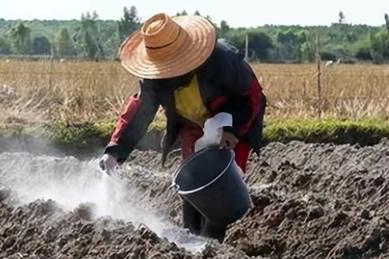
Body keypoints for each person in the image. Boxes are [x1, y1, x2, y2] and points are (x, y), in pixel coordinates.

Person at [100, 13, 266, 242]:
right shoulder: (156, 79)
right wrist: (115, 151)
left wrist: (231, 129)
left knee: (218, 192)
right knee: (192, 189)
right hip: (193, 128)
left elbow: (251, 98)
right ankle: (191, 245)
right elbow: (140, 111)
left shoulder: (223, 61)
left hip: (230, 126)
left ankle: (212, 249)